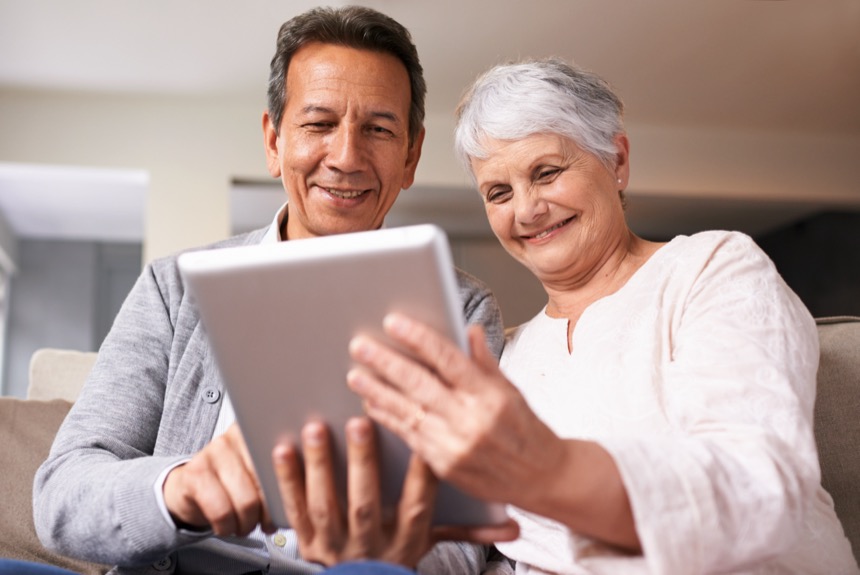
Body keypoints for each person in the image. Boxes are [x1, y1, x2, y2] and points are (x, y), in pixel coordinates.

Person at [33, 6, 517, 575]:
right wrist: (182, 490)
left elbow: (459, 545)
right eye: (318, 123)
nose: (346, 157)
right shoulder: (172, 289)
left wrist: (377, 549)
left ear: (410, 154)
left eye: (379, 129)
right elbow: (62, 495)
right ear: (273, 140)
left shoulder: (461, 309)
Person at [344, 58, 860, 574]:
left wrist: (548, 469)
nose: (526, 211)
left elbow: (756, 489)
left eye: (546, 173)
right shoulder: (512, 354)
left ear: (616, 160)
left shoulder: (711, 269)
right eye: (498, 193)